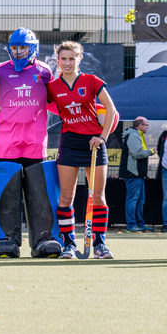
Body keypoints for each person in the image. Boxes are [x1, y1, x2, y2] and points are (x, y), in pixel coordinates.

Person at [0, 27, 56, 257]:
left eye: (22, 47)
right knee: (7, 193)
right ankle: (8, 241)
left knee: (38, 193)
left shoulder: (44, 72)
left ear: (32, 48)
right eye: (14, 47)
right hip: (5, 144)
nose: (17, 52)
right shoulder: (0, 71)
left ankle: (42, 241)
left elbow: (56, 101)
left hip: (34, 143)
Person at [46, 40, 117, 259]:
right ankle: (68, 244)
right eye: (63, 59)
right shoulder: (52, 87)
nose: (67, 63)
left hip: (94, 144)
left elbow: (111, 110)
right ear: (58, 61)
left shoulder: (92, 81)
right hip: (69, 143)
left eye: (72, 58)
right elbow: (37, 107)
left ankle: (99, 245)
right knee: (66, 197)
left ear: (79, 59)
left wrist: (102, 137)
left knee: (98, 197)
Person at [121, 116, 154, 232]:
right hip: (132, 173)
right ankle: (132, 224)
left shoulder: (137, 135)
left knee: (140, 200)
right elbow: (137, 153)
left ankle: (140, 224)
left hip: (138, 174)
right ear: (140, 125)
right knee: (133, 199)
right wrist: (151, 151)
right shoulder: (133, 136)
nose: (147, 127)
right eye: (146, 125)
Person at [157, 126, 167, 233]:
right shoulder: (164, 135)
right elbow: (160, 150)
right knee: (166, 198)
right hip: (165, 170)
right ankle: (165, 223)